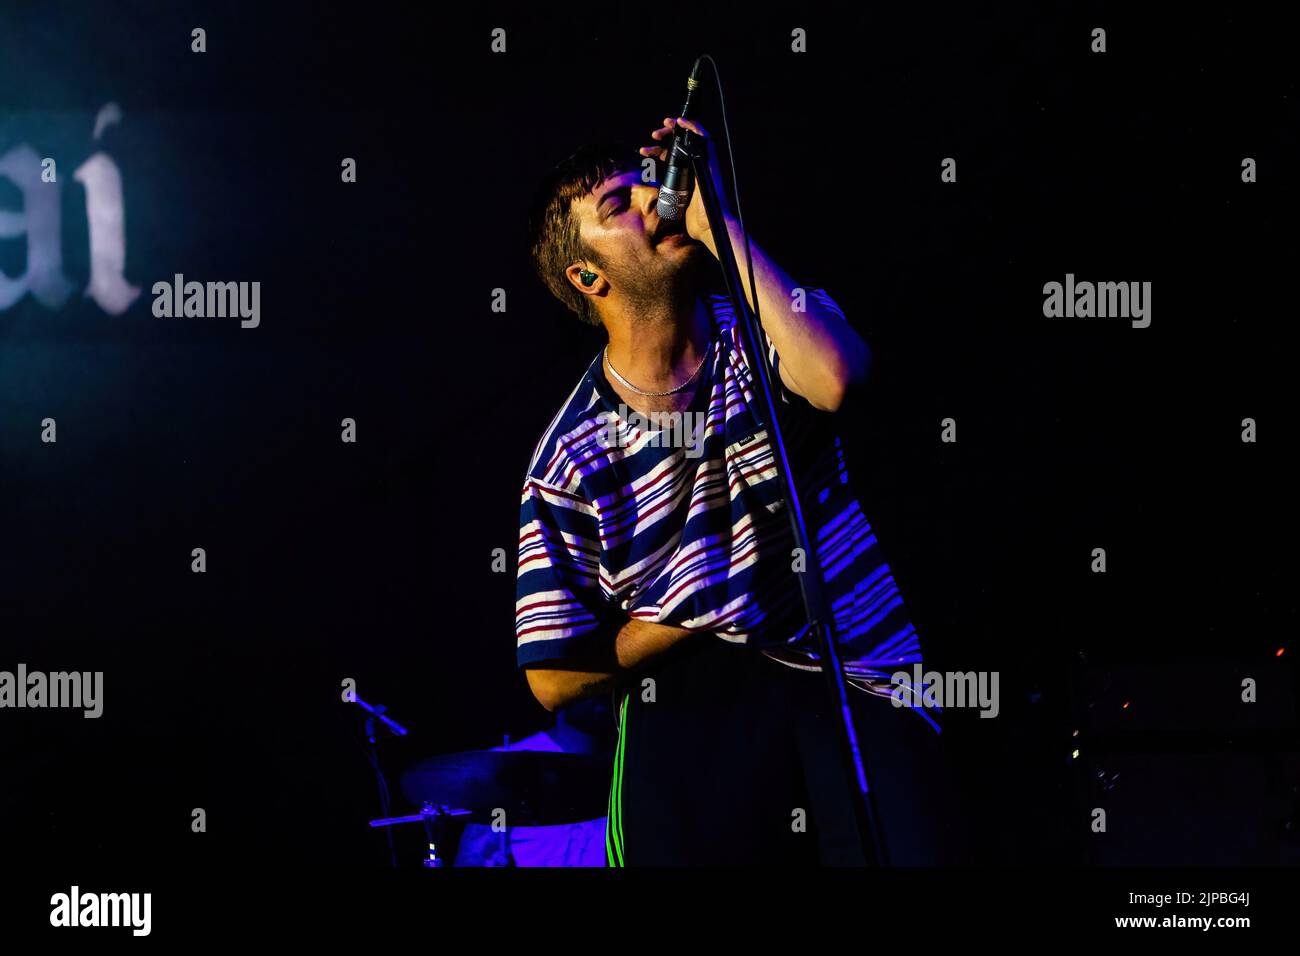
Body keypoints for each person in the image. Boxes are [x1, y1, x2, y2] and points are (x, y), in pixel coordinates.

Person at [514, 116, 951, 866]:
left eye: (646, 185)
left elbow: (837, 377)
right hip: (691, 697)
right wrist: (689, 616)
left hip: (850, 668)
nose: (655, 202)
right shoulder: (572, 454)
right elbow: (552, 676)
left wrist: (719, 220)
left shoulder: (767, 327)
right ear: (589, 277)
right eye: (620, 207)